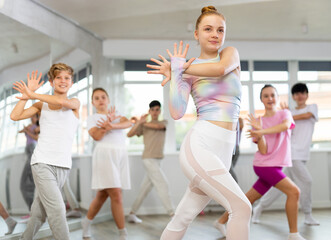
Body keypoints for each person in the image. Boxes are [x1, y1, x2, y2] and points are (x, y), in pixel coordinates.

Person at [147, 6, 252, 240]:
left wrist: (179, 67)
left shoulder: (229, 55)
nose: (215, 34)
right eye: (208, 29)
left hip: (224, 150)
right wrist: (176, 76)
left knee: (183, 216)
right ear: (196, 34)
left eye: (220, 30)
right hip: (201, 145)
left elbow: (219, 69)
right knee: (241, 208)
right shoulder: (187, 71)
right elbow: (176, 112)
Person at [215, 85, 307, 240]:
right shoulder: (258, 121)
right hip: (264, 166)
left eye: (272, 95)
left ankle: (220, 221)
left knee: (249, 199)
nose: (270, 98)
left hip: (277, 165)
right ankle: (294, 234)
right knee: (294, 191)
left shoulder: (285, 114)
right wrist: (260, 132)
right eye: (266, 96)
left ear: (277, 97)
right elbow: (263, 150)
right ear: (261, 100)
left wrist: (262, 131)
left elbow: (285, 127)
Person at [11, 63, 80, 240]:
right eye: (58, 77)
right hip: (42, 162)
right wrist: (26, 97)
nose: (63, 81)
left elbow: (61, 102)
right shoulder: (42, 105)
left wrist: (32, 93)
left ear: (71, 82)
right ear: (51, 82)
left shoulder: (75, 103)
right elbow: (15, 116)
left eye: (67, 78)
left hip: (63, 166)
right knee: (57, 209)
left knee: (38, 214)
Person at [252, 83, 319, 226]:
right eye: (296, 93)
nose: (299, 96)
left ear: (307, 95)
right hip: (292, 154)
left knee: (278, 188)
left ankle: (260, 207)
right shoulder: (287, 113)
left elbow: (306, 116)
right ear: (293, 97)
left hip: (300, 155)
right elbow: (286, 125)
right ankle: (308, 215)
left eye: (302, 93)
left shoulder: (311, 108)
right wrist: (287, 114)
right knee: (306, 182)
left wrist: (289, 114)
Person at [81, 88, 131, 240]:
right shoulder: (91, 118)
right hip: (104, 155)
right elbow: (96, 136)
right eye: (97, 98)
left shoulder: (117, 114)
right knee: (116, 194)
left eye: (103, 97)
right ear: (93, 103)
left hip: (120, 154)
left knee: (102, 195)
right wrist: (105, 125)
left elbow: (128, 122)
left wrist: (112, 124)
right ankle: (123, 233)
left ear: (108, 99)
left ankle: (86, 223)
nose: (100, 100)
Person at [127, 100, 174, 223]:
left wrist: (140, 122)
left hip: (158, 160)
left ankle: (132, 212)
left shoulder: (163, 122)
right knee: (163, 185)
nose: (155, 112)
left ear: (159, 111)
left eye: (157, 109)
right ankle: (173, 215)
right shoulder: (143, 125)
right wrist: (139, 123)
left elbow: (159, 127)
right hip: (148, 159)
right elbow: (129, 134)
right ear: (149, 111)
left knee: (144, 189)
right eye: (152, 110)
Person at [19, 113, 39, 219]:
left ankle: (32, 212)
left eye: (35, 116)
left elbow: (35, 138)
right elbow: (20, 132)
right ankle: (32, 211)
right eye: (32, 116)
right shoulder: (30, 126)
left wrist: (27, 131)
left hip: (32, 150)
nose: (32, 118)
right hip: (29, 151)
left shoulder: (36, 127)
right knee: (29, 183)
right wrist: (25, 129)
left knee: (27, 183)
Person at [229, 117, 243, 182]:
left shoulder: (236, 121)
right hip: (236, 148)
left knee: (228, 171)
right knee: (228, 171)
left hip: (232, 148)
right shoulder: (239, 121)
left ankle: (234, 186)